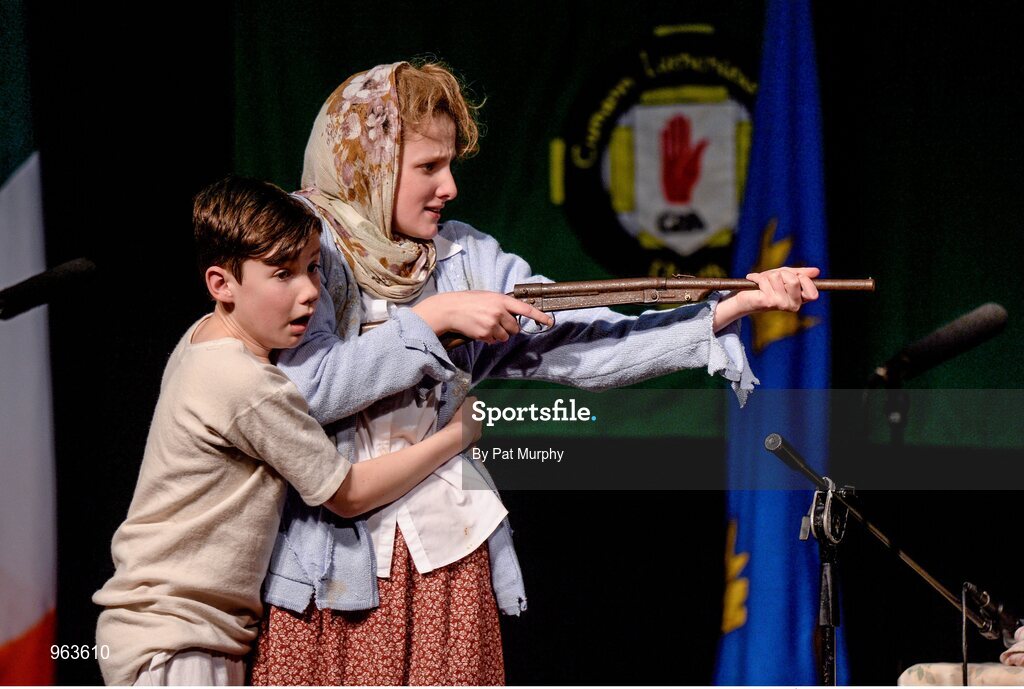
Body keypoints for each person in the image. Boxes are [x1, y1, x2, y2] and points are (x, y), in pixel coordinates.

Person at [250, 61, 820, 685]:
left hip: (445, 560)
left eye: (450, 165)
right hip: (329, 574)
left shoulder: (463, 257)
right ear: (371, 164)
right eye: (428, 167)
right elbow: (305, 391)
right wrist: (434, 319)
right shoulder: (305, 250)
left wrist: (725, 310)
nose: (449, 187)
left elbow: (579, 339)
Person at [92, 176, 482, 686]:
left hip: (178, 632)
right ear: (221, 284)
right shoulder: (245, 383)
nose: (309, 291)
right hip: (179, 637)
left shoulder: (203, 339)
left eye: (313, 267)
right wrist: (458, 434)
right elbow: (347, 493)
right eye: (282, 274)